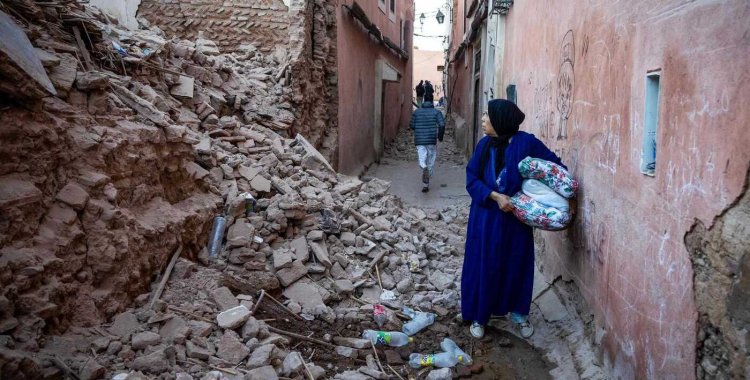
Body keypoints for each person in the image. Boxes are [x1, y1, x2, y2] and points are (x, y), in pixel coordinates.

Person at [461, 99, 570, 339]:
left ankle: (519, 313)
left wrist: (531, 196)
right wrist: (495, 196)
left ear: (501, 120)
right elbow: (471, 178)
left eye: (487, 116)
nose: (483, 120)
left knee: (516, 264)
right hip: (486, 218)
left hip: (515, 219)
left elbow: (555, 169)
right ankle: (481, 316)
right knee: (485, 264)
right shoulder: (484, 146)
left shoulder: (526, 143)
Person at [409, 99, 445, 192]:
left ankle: (423, 167)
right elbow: (442, 125)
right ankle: (426, 183)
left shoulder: (416, 112)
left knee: (422, 158)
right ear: (432, 104)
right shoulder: (437, 112)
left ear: (423, 104)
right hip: (431, 139)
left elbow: (412, 125)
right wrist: (440, 137)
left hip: (419, 139)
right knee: (431, 159)